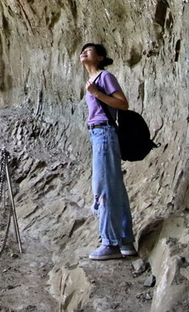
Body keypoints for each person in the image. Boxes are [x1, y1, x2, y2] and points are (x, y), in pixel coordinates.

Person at [80, 42, 136, 260]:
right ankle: (125, 241)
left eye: (89, 50)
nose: (84, 52)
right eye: (82, 50)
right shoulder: (93, 80)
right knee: (115, 188)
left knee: (103, 187)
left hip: (104, 132)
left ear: (101, 57)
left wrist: (95, 92)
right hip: (98, 134)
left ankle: (110, 243)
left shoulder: (104, 77)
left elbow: (123, 104)